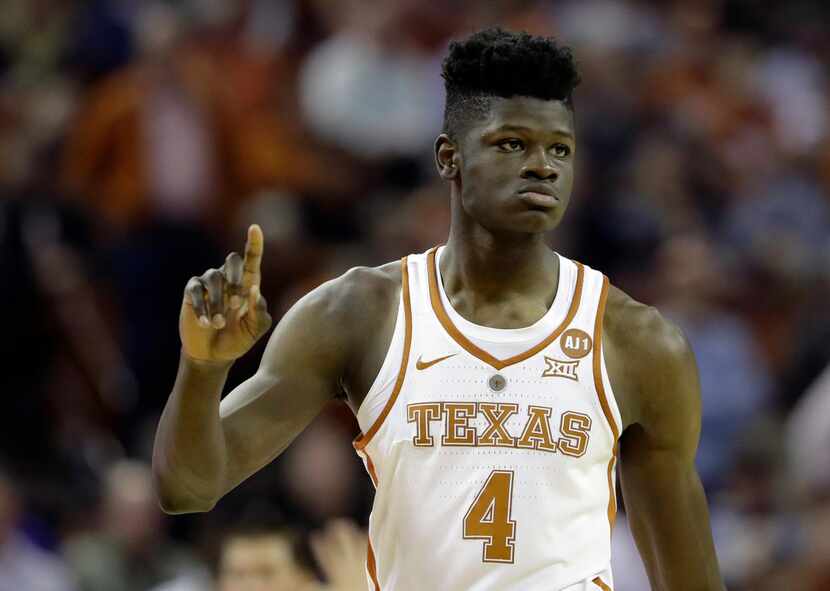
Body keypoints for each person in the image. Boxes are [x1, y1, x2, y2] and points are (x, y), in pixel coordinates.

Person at [153, 28, 725, 591]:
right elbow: (189, 489)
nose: (543, 166)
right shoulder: (358, 314)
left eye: (560, 149)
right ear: (449, 158)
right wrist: (203, 370)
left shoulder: (638, 342)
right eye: (512, 144)